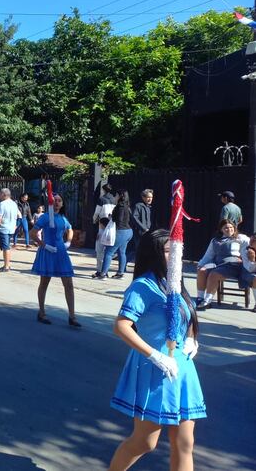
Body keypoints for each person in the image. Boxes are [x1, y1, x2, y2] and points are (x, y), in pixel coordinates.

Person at [108, 229, 205, 471]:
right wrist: (156, 355)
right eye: (169, 251)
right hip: (154, 369)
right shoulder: (143, 286)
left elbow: (186, 316)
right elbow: (121, 326)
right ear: (155, 253)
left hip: (182, 369)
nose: (176, 256)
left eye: (178, 250)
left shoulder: (174, 284)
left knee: (185, 442)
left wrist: (192, 339)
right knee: (144, 442)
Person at [30, 194, 80, 327]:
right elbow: (32, 234)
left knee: (68, 284)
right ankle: (41, 312)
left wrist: (68, 242)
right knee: (44, 282)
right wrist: (44, 245)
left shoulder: (63, 218)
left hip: (61, 253)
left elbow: (70, 230)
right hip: (48, 252)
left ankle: (72, 316)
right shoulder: (45, 217)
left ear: (62, 204)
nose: (57, 203)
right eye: (55, 201)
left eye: (59, 201)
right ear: (50, 203)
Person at [195, 219, 249, 310]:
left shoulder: (241, 238)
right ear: (221, 229)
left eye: (231, 227)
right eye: (226, 228)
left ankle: (208, 301)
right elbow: (208, 255)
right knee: (202, 271)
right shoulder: (215, 240)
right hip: (218, 264)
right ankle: (200, 298)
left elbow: (249, 247)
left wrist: (247, 264)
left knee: (214, 274)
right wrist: (201, 264)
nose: (229, 229)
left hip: (233, 265)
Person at [99, 190, 133, 280]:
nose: (115, 197)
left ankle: (103, 274)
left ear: (120, 196)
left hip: (121, 231)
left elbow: (119, 219)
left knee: (109, 252)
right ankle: (120, 273)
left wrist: (112, 218)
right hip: (128, 231)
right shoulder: (127, 205)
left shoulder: (120, 206)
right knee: (122, 252)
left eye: (116, 195)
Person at [239, 234, 256, 311]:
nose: (251, 242)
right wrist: (252, 259)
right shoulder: (246, 250)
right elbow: (249, 269)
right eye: (251, 240)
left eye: (254, 241)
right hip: (247, 273)